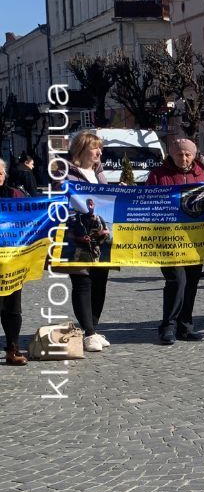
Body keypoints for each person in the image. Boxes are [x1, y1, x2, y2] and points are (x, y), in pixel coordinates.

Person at [147, 137, 204, 344]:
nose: (183, 158)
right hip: (168, 239)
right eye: (179, 154)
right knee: (176, 281)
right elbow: (148, 201)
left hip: (194, 239)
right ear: (171, 155)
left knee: (192, 282)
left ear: (194, 155)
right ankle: (168, 325)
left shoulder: (200, 174)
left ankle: (186, 326)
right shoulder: (158, 175)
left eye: (187, 154)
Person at [60, 131, 113, 353]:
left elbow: (108, 198)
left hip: (101, 234)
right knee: (82, 282)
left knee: (100, 282)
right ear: (82, 149)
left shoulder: (98, 172)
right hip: (76, 234)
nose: (99, 152)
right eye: (95, 148)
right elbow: (61, 200)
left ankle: (93, 327)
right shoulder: (65, 173)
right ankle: (88, 332)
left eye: (100, 148)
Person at [1, 160, 28, 365]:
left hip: (11, 261)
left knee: (13, 308)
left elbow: (29, 220)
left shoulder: (15, 195)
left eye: (0, 173)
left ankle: (13, 348)